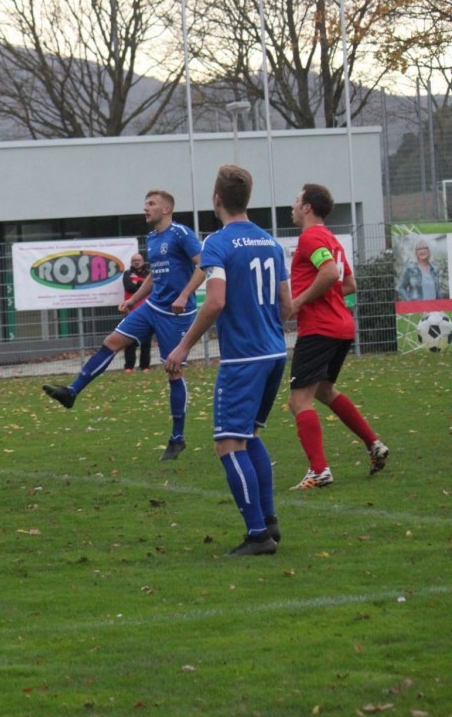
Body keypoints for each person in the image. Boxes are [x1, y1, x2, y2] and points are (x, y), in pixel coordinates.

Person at [165, 165, 291, 557]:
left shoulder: (218, 243)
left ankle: (257, 535)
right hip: (275, 353)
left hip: (244, 359)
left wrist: (183, 346)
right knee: (249, 435)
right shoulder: (270, 242)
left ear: (216, 200)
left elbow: (216, 300)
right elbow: (287, 305)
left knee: (227, 443)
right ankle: (269, 520)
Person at [42, 190, 202, 461]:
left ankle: (177, 438)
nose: (145, 208)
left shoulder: (181, 234)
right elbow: (156, 274)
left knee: (173, 372)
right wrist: (134, 300)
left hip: (176, 314)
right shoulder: (152, 238)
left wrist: (185, 294)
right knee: (111, 342)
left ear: (166, 209)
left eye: (151, 204)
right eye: (145, 203)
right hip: (151, 307)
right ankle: (72, 392)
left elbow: (203, 266)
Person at [285, 183, 389, 490]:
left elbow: (330, 274)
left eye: (296, 200)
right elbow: (349, 284)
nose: (292, 206)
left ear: (307, 208)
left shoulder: (311, 236)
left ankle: (319, 471)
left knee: (298, 401)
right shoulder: (330, 239)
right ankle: (374, 443)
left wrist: (299, 302)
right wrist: (320, 297)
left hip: (320, 328)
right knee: (325, 391)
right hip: (341, 326)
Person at [121, 253, 152, 372]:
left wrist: (137, 284)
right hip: (131, 311)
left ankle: (145, 366)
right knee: (129, 340)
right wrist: (142, 285)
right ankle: (128, 367)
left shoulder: (149, 274)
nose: (136, 262)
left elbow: (152, 287)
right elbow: (129, 287)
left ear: (143, 261)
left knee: (146, 341)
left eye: (138, 260)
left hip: (147, 310)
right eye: (134, 260)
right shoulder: (127, 274)